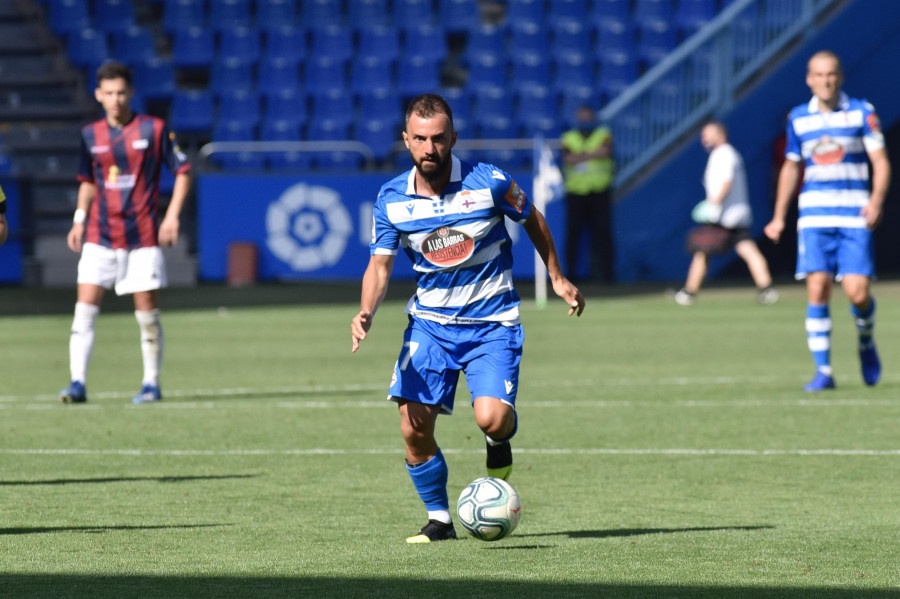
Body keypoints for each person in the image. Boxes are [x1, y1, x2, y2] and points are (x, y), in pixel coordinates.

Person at [350, 94, 584, 543]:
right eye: (420, 139)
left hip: (492, 322)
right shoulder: (392, 200)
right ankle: (439, 520)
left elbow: (532, 217)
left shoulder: (489, 182)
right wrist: (366, 311)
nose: (430, 148)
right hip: (430, 326)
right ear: (406, 140)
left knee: (492, 419)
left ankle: (499, 442)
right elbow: (380, 265)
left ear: (453, 138)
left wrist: (556, 275)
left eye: (438, 138)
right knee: (412, 429)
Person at [59, 61, 192, 404]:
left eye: (121, 92)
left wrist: (172, 216)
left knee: (147, 313)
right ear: (98, 95)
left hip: (142, 236)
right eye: (109, 93)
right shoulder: (91, 135)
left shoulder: (154, 129)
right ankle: (77, 384)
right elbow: (88, 181)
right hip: (99, 235)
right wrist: (79, 218)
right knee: (84, 309)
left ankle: (151, 383)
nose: (116, 99)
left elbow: (183, 171)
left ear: (131, 93)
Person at [764, 50, 891, 392]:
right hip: (814, 215)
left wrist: (876, 201)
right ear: (809, 79)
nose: (825, 80)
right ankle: (824, 371)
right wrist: (778, 216)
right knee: (817, 287)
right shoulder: (798, 118)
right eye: (818, 75)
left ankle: (865, 339)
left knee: (857, 292)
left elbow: (880, 161)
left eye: (831, 74)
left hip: (854, 214)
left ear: (841, 77)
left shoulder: (862, 113)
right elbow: (791, 166)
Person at [674, 121, 779, 306]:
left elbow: (726, 183)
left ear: (720, 134)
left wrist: (712, 205)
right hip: (732, 214)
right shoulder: (723, 154)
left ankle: (689, 292)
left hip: (724, 215)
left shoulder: (724, 154)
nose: (704, 139)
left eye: (708, 134)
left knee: (703, 252)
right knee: (746, 250)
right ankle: (766, 289)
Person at [560, 105, 615, 283]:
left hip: (599, 192)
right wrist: (593, 154)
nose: (585, 122)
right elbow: (567, 158)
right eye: (581, 118)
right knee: (573, 236)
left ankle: (606, 276)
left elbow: (606, 152)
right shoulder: (568, 137)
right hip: (575, 193)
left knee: (603, 235)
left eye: (587, 118)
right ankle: (570, 276)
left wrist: (580, 156)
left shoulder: (604, 134)